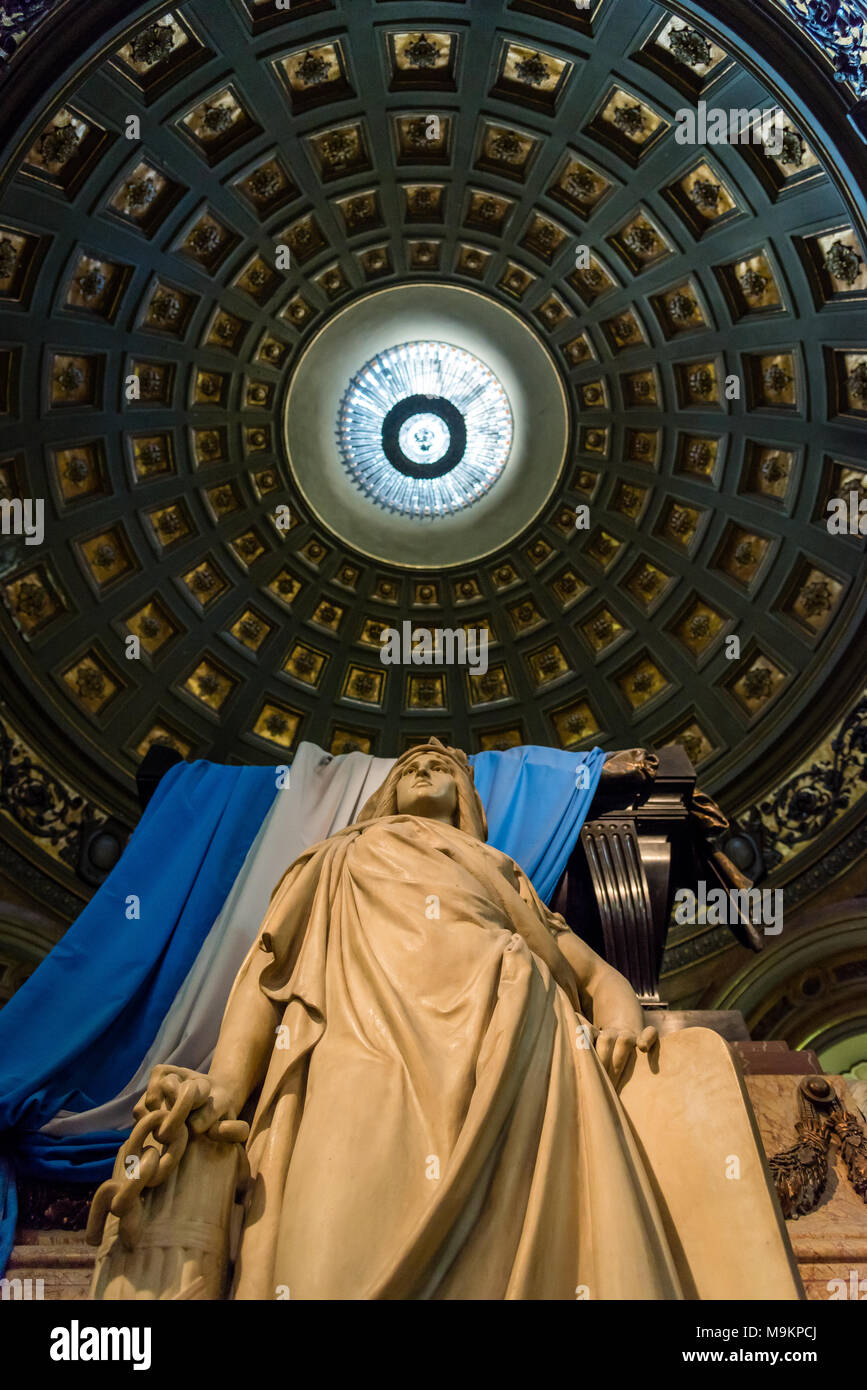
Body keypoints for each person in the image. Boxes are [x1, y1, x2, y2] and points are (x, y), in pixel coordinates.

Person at [136, 738, 682, 1299]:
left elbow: (594, 976)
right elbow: (268, 976)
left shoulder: (501, 870)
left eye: (440, 767)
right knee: (322, 1257)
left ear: (464, 798)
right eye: (410, 768)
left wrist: (618, 1022)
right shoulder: (335, 857)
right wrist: (227, 1084)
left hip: (510, 1049)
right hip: (357, 1052)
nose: (422, 769)